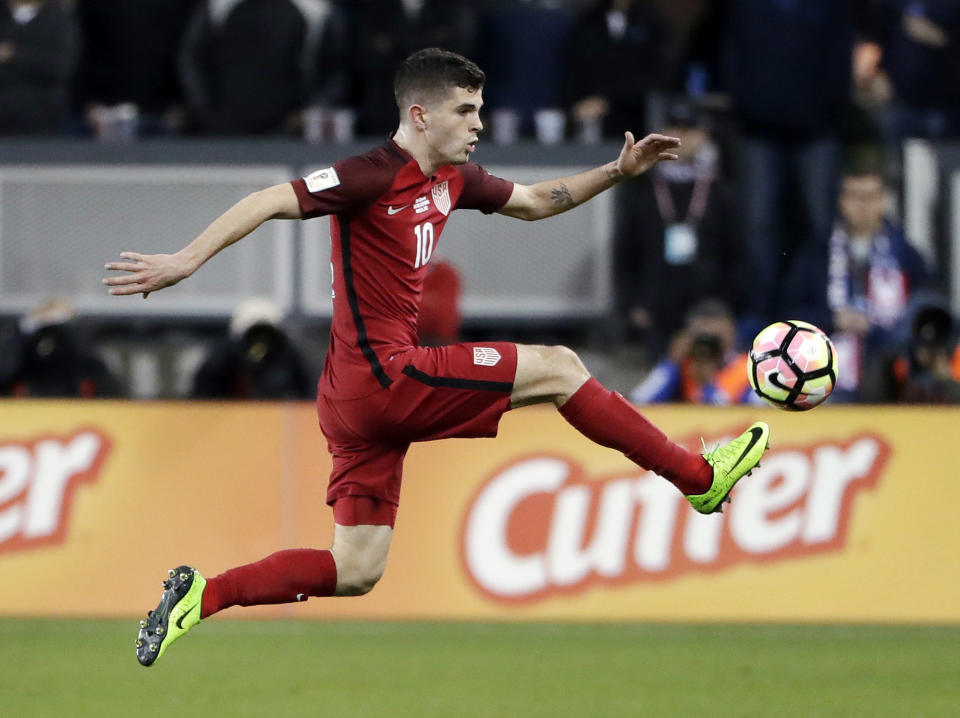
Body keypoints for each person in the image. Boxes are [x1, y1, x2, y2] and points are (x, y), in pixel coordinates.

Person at [103, 48, 770, 667]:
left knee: (356, 567)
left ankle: (203, 594)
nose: (479, 123)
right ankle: (695, 477)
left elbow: (537, 202)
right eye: (466, 110)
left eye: (480, 109)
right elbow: (273, 198)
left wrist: (616, 172)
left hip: (352, 399)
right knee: (560, 365)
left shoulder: (454, 177)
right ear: (420, 115)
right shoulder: (368, 174)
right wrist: (185, 260)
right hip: (383, 377)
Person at [785, 167, 931, 401]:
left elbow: (927, 310)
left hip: (894, 378)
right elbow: (788, 313)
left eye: (871, 197)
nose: (863, 206)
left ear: (884, 201)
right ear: (841, 201)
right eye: (855, 197)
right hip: (824, 377)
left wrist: (891, 331)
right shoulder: (817, 253)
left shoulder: (905, 255)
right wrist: (832, 320)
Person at [612, 98, 744, 355]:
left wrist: (727, 306)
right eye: (674, 129)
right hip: (657, 304)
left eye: (689, 130)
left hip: (708, 303)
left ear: (703, 135)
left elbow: (737, 252)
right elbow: (626, 251)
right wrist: (633, 304)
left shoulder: (720, 190)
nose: (680, 138)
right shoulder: (642, 187)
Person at [629, 299, 753, 406]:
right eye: (703, 338)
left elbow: (746, 414)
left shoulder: (749, 369)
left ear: (732, 334)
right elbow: (640, 400)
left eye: (716, 339)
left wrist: (708, 385)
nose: (709, 346)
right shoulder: (684, 366)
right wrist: (671, 363)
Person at [191, 298, 315, 400]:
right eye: (253, 335)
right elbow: (201, 395)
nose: (259, 342)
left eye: (266, 335)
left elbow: (311, 389)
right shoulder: (221, 361)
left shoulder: (290, 360)